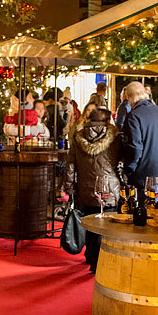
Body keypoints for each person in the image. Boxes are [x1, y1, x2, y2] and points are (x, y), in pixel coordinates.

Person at [64, 108, 120, 272]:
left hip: (86, 188)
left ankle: (90, 255)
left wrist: (69, 186)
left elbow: (70, 165)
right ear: (108, 120)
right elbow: (121, 163)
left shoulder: (78, 136)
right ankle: (99, 261)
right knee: (106, 226)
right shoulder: (115, 138)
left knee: (89, 221)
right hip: (109, 188)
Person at [118, 81, 158, 203]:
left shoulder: (134, 116)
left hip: (148, 177)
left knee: (148, 218)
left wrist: (129, 171)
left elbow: (134, 148)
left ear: (128, 98)